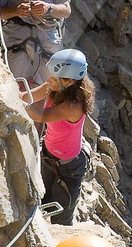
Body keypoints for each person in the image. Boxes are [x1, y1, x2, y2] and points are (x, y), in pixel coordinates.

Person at [27, 49, 93, 225]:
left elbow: (38, 115)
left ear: (71, 81)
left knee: (61, 216)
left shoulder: (74, 105)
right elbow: (30, 96)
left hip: (70, 167)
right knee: (42, 199)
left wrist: (16, 99)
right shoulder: (56, 85)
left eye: (57, 78)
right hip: (49, 154)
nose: (52, 80)